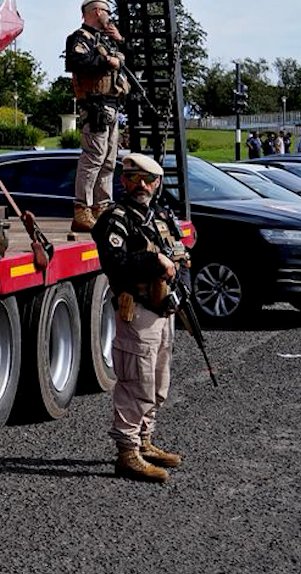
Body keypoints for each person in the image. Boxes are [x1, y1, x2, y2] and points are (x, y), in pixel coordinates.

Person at [91, 151, 186, 484]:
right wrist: (155, 261)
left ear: (157, 183)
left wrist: (179, 281)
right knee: (136, 382)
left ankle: (145, 440)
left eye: (147, 179)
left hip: (163, 309)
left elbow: (181, 255)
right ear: (123, 181)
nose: (140, 185)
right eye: (133, 178)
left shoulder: (160, 216)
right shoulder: (115, 219)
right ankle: (127, 452)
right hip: (138, 310)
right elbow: (114, 262)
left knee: (158, 382)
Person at [64, 0, 127, 234]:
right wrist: (109, 61)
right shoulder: (80, 38)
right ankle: (82, 209)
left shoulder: (107, 40)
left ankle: (102, 207)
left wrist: (120, 42)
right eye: (106, 11)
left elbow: (128, 59)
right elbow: (79, 62)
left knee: (109, 160)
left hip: (112, 105)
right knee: (93, 157)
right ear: (96, 11)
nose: (109, 16)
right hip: (94, 105)